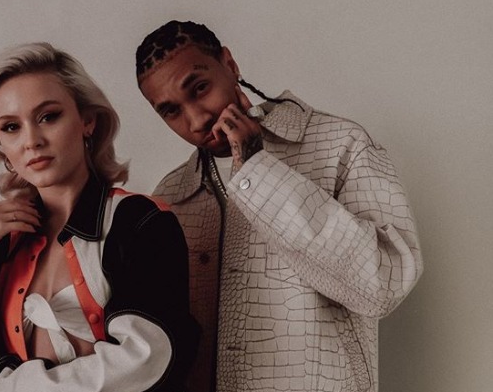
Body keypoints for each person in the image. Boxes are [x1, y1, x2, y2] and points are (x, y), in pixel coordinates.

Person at [134, 20, 423, 392]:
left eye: (200, 88)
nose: (197, 119)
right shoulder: (171, 195)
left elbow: (384, 287)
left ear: (229, 64)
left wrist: (259, 171)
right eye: (171, 111)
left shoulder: (340, 145)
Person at [0, 42, 199, 391]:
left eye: (48, 116)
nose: (32, 141)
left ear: (87, 121)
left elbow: (149, 359)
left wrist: (16, 386)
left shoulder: (139, 221)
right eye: (11, 127)